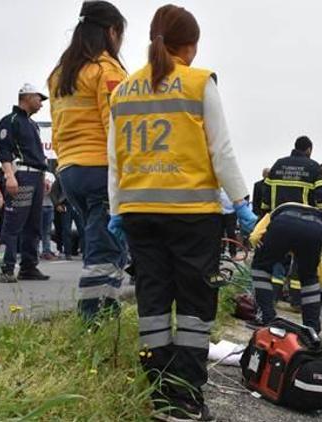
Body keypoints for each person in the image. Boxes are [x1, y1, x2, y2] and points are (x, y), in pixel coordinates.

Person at [107, 5, 255, 420]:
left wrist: (117, 210)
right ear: (190, 45)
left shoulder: (123, 90)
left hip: (138, 213)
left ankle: (159, 394)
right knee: (193, 308)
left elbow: (115, 159)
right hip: (191, 214)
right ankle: (185, 398)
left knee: (153, 301)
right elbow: (220, 150)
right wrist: (241, 203)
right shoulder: (198, 82)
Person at [48, 0, 127, 317]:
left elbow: (56, 127)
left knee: (105, 244)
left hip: (69, 171)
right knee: (104, 248)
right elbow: (118, 124)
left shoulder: (59, 74)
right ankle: (92, 317)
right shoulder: (106, 70)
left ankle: (107, 310)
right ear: (111, 31)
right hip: (100, 169)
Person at [0, 84, 50, 283]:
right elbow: (4, 150)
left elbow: (38, 156)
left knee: (33, 225)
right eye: (39, 98)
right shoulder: (9, 121)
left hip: (36, 177)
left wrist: (43, 177)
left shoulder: (33, 125)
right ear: (26, 97)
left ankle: (28, 267)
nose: (41, 104)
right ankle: (6, 267)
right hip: (21, 176)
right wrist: (10, 176)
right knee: (12, 225)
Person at [249, 202, 322, 333]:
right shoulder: (318, 221)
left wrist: (261, 251)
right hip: (315, 229)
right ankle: (312, 328)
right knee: (309, 278)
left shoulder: (278, 210)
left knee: (260, 268)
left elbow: (254, 236)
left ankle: (267, 318)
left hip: (283, 224)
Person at [39, 171, 57, 260]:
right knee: (36, 230)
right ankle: (34, 251)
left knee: (47, 231)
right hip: (38, 206)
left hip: (49, 205)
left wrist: (49, 187)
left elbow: (55, 190)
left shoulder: (50, 175)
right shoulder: (36, 174)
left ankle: (46, 251)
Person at [219, 189, 238, 258]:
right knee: (220, 234)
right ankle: (221, 252)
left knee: (231, 233)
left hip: (231, 213)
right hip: (219, 213)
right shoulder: (218, 188)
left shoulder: (231, 188)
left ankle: (233, 253)